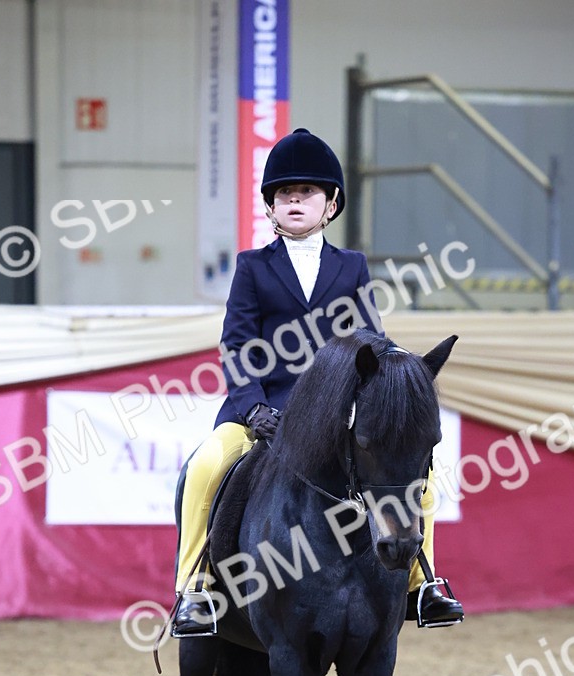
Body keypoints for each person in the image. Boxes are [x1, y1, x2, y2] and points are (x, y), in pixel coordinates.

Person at [172, 127, 463, 636]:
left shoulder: (350, 266)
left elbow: (372, 339)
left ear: (331, 205)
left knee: (421, 477)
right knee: (206, 464)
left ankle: (424, 583)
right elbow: (237, 345)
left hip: (337, 416)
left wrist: (396, 376)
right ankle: (194, 589)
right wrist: (251, 406)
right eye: (285, 193)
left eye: (307, 192)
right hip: (264, 411)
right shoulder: (252, 268)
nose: (295, 200)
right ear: (272, 207)